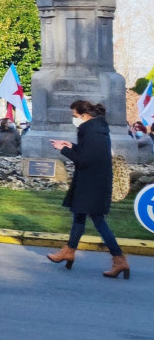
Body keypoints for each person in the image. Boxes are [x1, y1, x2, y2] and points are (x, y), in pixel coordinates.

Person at [47, 101, 130, 279]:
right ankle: (69, 251)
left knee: (98, 221)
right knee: (79, 215)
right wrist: (69, 145)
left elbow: (84, 160)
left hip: (92, 184)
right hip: (92, 182)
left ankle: (119, 259)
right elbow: (89, 153)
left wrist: (63, 150)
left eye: (75, 116)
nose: (74, 119)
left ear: (84, 116)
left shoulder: (91, 131)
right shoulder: (96, 130)